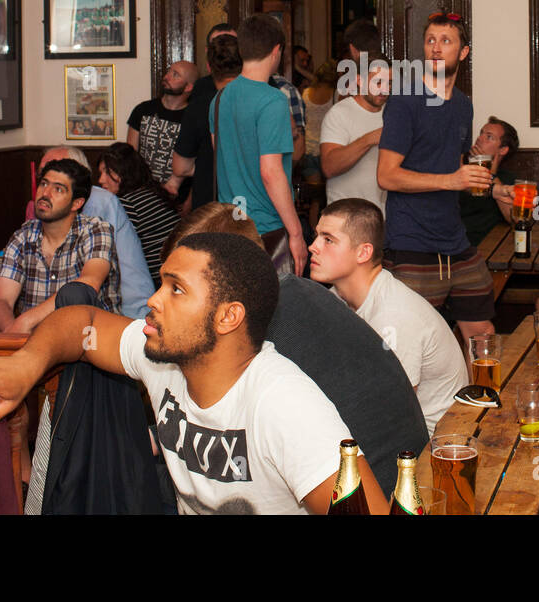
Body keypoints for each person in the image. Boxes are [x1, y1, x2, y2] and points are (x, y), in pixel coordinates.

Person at [0, 232, 387, 514]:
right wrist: (25, 365)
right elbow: (83, 323)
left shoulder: (286, 405)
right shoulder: (164, 355)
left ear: (228, 317)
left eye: (176, 290)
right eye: (160, 283)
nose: (154, 300)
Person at [165, 203, 428, 497]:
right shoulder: (296, 291)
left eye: (179, 286)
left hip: (381, 491)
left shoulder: (258, 326)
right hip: (408, 469)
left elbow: (231, 433)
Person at [378, 13, 497, 339]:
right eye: (430, 40)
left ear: (463, 52)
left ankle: (473, 393)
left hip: (455, 240)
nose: (435, 47)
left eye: (446, 41)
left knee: (482, 332)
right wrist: (450, 181)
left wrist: (494, 188)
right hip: (412, 242)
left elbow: (455, 163)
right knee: (410, 341)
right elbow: (386, 176)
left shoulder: (463, 105)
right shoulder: (405, 101)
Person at [309, 199, 469, 434]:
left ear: (363, 252)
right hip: (384, 428)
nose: (313, 246)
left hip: (430, 447)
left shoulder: (394, 315)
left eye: (328, 239)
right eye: (316, 236)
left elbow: (392, 412)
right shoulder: (336, 300)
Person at [208, 13, 308, 273]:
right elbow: (270, 172)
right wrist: (296, 233)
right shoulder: (272, 100)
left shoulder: (219, 99)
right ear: (277, 51)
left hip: (231, 224)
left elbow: (220, 155)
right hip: (265, 226)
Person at [0, 158, 119, 333]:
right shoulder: (23, 236)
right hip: (31, 344)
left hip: (88, 344)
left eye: (58, 189)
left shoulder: (96, 231)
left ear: (77, 203)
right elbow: (1, 301)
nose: (45, 193)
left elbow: (88, 284)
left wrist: (26, 321)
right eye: (44, 184)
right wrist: (12, 332)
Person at [38, 146, 154, 320]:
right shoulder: (38, 218)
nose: (48, 187)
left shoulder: (99, 203)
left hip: (130, 315)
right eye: (44, 178)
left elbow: (80, 282)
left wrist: (27, 320)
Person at [169, 29, 242, 211]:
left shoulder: (199, 105)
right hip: (249, 203)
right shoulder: (260, 100)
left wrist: (204, 165)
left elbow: (180, 168)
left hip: (210, 203)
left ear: (209, 67)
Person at [97, 142, 181, 286]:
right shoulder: (151, 192)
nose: (101, 180)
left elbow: (112, 251)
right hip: (177, 272)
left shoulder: (127, 204)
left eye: (108, 172)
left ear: (125, 171)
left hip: (159, 281)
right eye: (100, 173)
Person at [320, 54, 391, 212]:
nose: (384, 89)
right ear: (359, 80)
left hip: (385, 219)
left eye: (389, 83)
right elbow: (329, 167)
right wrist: (369, 139)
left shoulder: (395, 113)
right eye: (378, 82)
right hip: (346, 219)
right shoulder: (339, 113)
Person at [126, 60, 197, 196]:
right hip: (143, 192)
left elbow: (197, 161)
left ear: (188, 87)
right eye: (169, 71)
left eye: (175, 75)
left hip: (179, 195)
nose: (166, 77)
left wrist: (189, 200)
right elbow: (130, 155)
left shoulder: (193, 118)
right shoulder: (143, 110)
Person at [458, 116, 518, 247]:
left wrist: (492, 174)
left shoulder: (507, 180)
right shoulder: (460, 170)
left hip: (486, 246)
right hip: (452, 243)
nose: (479, 139)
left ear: (503, 150)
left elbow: (514, 219)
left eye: (489, 137)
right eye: (481, 134)